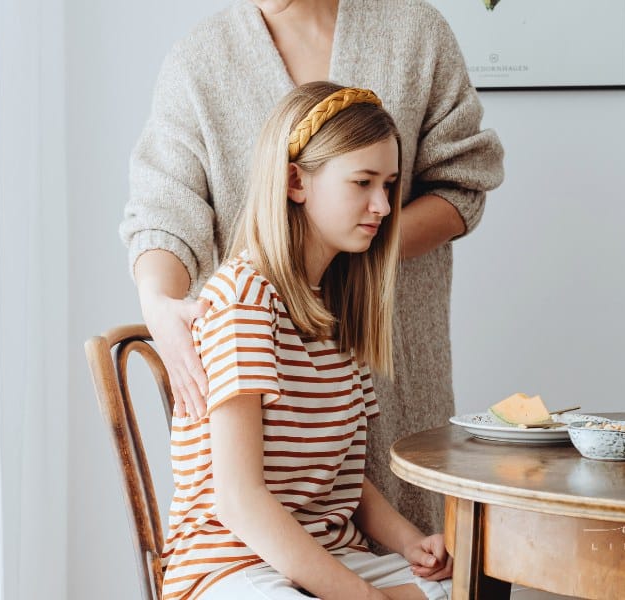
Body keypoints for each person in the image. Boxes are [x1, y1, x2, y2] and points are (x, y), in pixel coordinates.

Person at [121, 0, 504, 536]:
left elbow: (463, 182)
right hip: (267, 374)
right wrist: (158, 303)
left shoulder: (416, 33)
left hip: (392, 354)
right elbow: (165, 209)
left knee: (417, 549)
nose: (379, 200)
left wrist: (353, 251)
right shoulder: (199, 61)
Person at [162, 81, 452, 599]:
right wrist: (366, 598)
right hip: (232, 565)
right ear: (295, 182)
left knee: (483, 587)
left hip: (330, 556)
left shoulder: (336, 309)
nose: (383, 207)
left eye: (388, 185)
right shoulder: (243, 301)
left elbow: (340, 479)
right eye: (362, 182)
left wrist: (411, 543)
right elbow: (238, 500)